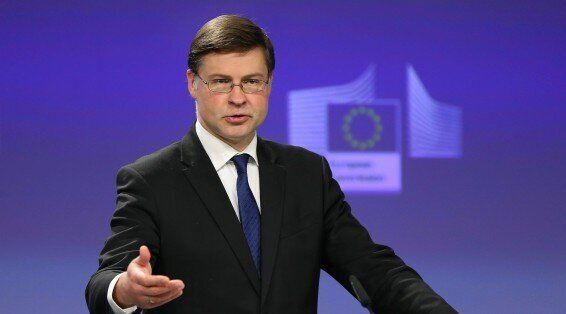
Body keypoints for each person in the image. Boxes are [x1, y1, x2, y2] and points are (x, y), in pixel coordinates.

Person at [85, 15, 456, 314]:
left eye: (251, 82)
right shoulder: (151, 179)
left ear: (270, 84)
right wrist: (126, 291)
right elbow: (106, 279)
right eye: (220, 83)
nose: (237, 98)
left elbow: (373, 269)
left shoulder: (307, 175)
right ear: (192, 84)